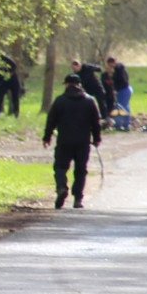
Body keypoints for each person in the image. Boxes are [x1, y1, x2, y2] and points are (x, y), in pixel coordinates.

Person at [42, 73, 102, 209]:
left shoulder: (60, 101)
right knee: (81, 170)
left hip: (64, 140)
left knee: (60, 167)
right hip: (83, 141)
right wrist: (97, 138)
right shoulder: (89, 101)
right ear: (80, 85)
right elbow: (96, 122)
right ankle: (78, 198)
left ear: (67, 85)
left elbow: (51, 121)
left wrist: (47, 137)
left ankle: (61, 187)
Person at [106, 55, 133, 131]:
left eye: (110, 64)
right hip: (127, 89)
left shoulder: (118, 69)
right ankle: (126, 124)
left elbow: (122, 81)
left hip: (123, 90)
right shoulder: (120, 68)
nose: (110, 65)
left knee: (120, 107)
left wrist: (116, 88)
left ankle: (120, 124)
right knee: (126, 107)